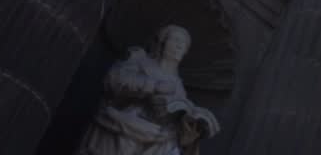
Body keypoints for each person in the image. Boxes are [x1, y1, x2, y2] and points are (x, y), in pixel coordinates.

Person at [78, 25, 219, 155]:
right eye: (176, 40)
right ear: (163, 42)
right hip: (126, 122)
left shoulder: (179, 86)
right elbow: (113, 80)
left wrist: (188, 134)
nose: (179, 46)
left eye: (183, 45)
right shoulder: (140, 60)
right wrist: (152, 86)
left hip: (158, 136)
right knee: (130, 141)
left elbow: (173, 121)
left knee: (169, 144)